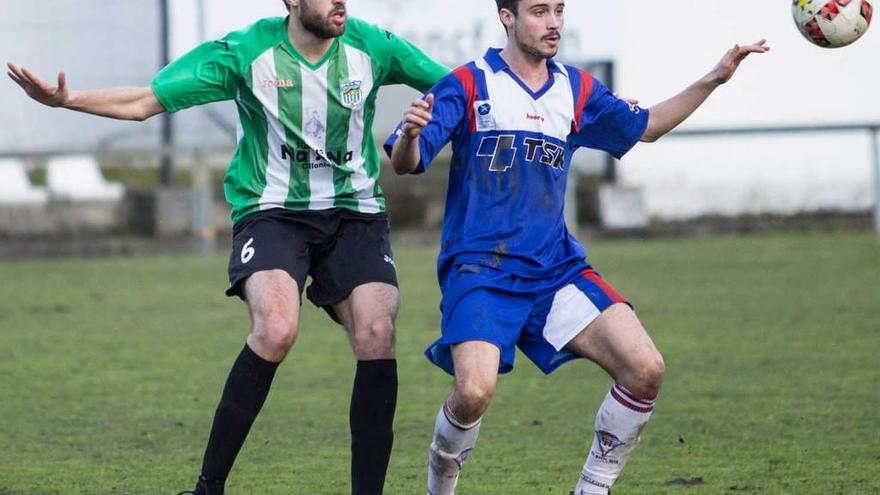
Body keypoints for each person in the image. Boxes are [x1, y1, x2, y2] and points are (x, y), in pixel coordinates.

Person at [7, 1, 448, 493]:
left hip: (355, 214)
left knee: (377, 334)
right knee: (277, 328)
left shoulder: (374, 47)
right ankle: (208, 487)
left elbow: (459, 88)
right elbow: (144, 102)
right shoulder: (245, 52)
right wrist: (67, 101)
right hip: (273, 212)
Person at [385, 0, 769, 493]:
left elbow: (646, 126)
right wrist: (412, 134)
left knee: (645, 368)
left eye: (559, 11)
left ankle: (591, 490)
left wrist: (713, 78)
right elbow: (405, 162)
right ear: (507, 17)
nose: (552, 23)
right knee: (473, 392)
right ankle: (440, 487)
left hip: (554, 270)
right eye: (539, 11)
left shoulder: (575, 88)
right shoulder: (468, 82)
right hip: (481, 269)